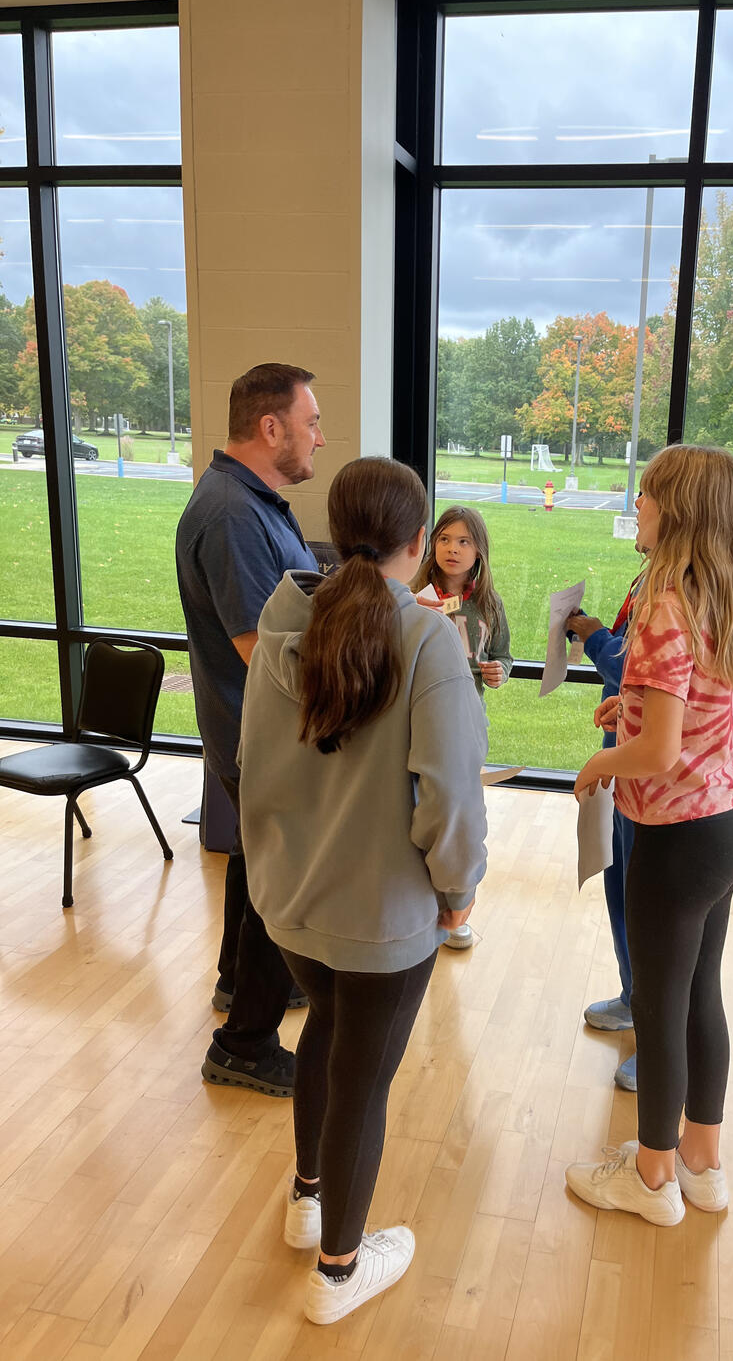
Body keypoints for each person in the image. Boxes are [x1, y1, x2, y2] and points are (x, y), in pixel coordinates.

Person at [237, 457, 487, 1326]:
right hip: (382, 920)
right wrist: (459, 890)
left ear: (337, 532)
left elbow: (251, 764)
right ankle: (338, 1271)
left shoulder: (280, 622)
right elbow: (451, 796)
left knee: (326, 1031)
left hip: (291, 905)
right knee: (363, 1078)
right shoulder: (429, 641)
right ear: (418, 543)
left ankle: (308, 1197)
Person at [565, 444, 733, 1227]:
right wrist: (640, 706)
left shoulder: (662, 603)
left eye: (647, 495)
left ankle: (651, 1178)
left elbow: (655, 754)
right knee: (699, 995)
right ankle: (701, 1163)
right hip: (730, 824)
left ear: (674, 511)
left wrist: (600, 759)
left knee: (656, 1005)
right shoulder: (728, 592)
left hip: (676, 837)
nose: (637, 506)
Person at [175, 362, 326, 1097]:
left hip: (252, 732)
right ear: (271, 428)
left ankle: (238, 980)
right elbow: (261, 649)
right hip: (259, 734)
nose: (319, 438)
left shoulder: (252, 500)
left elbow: (289, 602)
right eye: (311, 423)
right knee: (281, 881)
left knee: (254, 858)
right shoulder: (233, 515)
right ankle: (244, 1044)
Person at [411, 504, 512, 949]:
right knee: (424, 806)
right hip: (423, 718)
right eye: (445, 539)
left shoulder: (489, 604)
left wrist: (499, 671)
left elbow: (504, 654)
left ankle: (456, 903)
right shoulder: (416, 597)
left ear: (479, 552)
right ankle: (424, 900)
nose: (453, 549)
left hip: (468, 718)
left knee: (461, 812)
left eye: (464, 541)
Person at [565, 559, 644, 1091]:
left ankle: (659, 1038)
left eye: (646, 514)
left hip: (650, 782)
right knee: (620, 888)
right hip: (624, 765)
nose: (637, 516)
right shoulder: (650, 576)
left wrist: (595, 637)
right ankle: (634, 997)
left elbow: (637, 668)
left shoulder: (682, 589)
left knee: (646, 907)